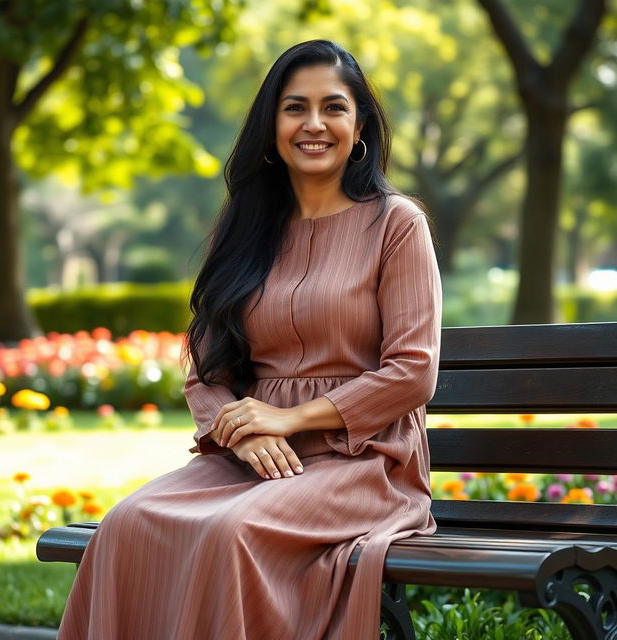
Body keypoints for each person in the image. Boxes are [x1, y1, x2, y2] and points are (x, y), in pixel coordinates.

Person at [57, 39, 442, 640]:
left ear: (359, 124)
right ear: (271, 127)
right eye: (295, 108)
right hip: (251, 457)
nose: (314, 124)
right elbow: (205, 368)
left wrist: (290, 421)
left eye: (333, 107)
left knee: (231, 531)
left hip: (363, 462)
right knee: (127, 522)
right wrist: (239, 432)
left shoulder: (396, 224)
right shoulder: (246, 227)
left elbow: (413, 370)